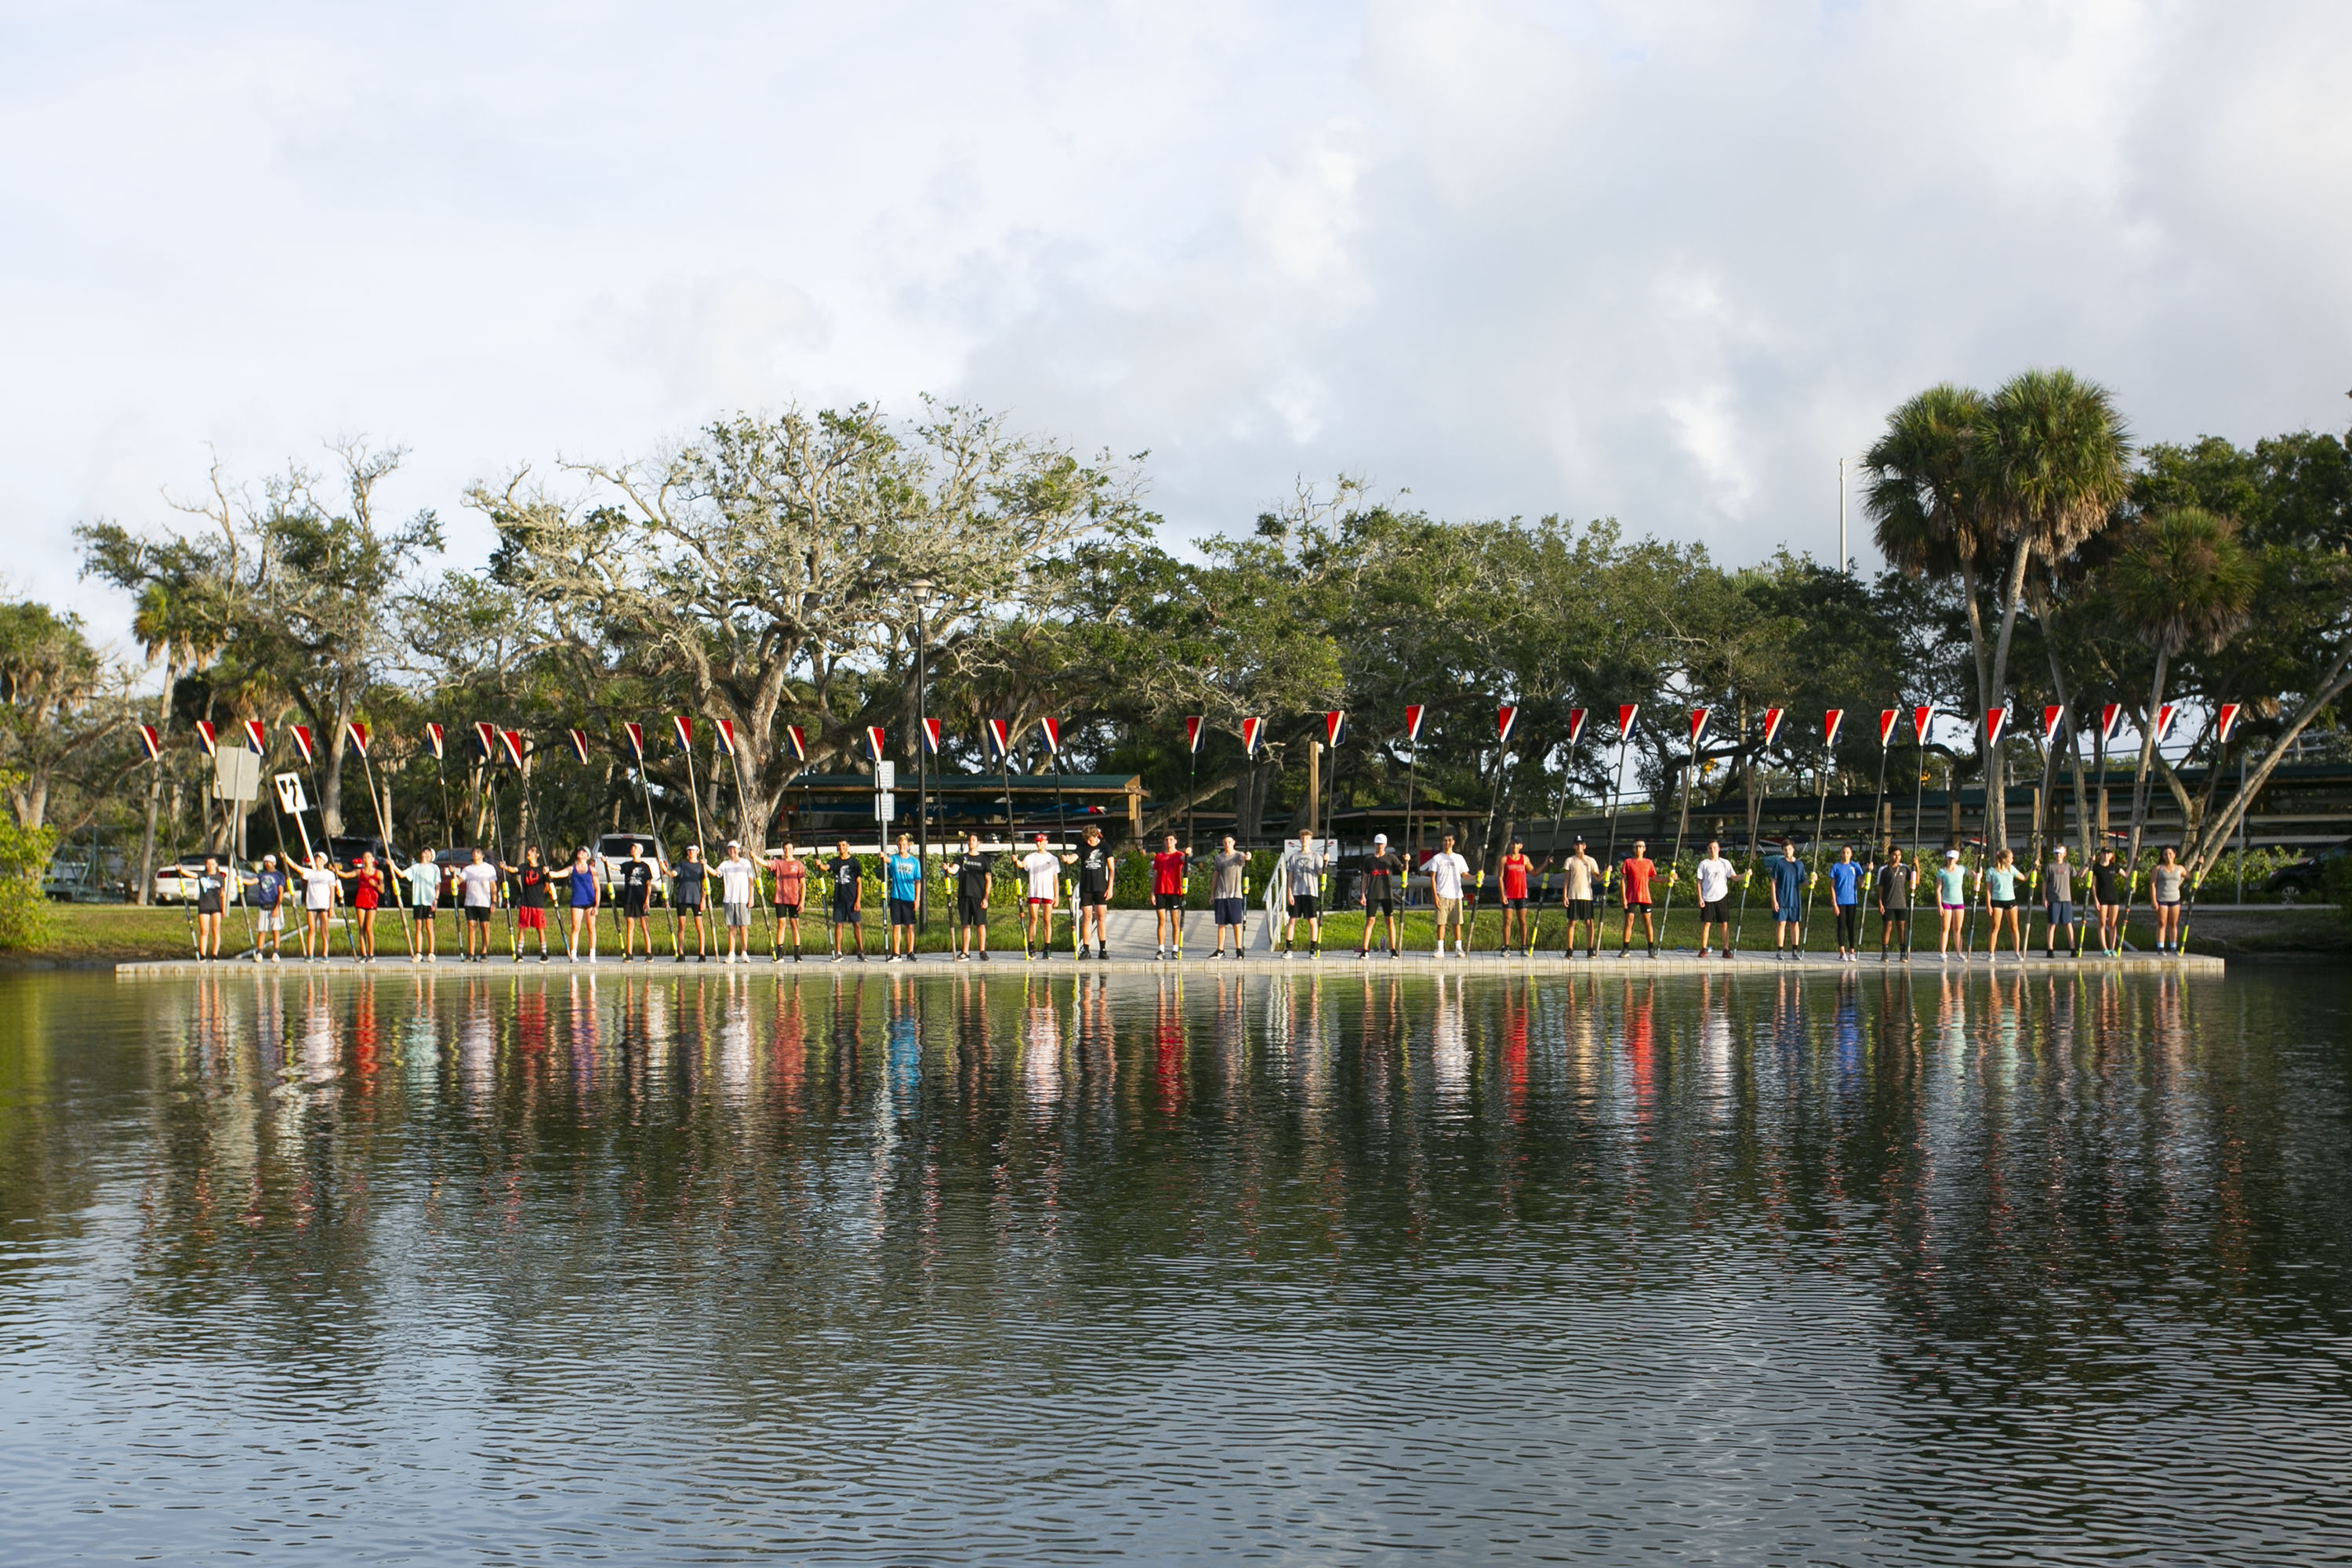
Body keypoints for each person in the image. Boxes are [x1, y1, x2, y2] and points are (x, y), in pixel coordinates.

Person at [1279, 829, 1328, 956]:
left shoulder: (1315, 856)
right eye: (1303, 838)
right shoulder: (1294, 857)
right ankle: (1288, 948)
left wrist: (1325, 863)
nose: (1304, 840)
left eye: (1307, 838)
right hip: (1296, 892)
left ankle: (1313, 948)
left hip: (1310, 891)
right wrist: (1289, 892)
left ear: (1311, 841)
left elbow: (1321, 872)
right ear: (1300, 840)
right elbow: (1290, 876)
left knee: (1312, 920)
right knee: (1292, 920)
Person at [1356, 832, 1406, 958]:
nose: (1379, 846)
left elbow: (1403, 869)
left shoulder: (1391, 858)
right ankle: (1365, 950)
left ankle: (1393, 949)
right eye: (1378, 844)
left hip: (1387, 894)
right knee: (1370, 920)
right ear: (1374, 844)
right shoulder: (1369, 860)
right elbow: (1365, 878)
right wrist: (1362, 894)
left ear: (1385, 845)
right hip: (1372, 893)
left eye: (1382, 844)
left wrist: (1407, 861)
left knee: (1389, 920)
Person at [947, 833, 995, 961]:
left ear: (978, 843)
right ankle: (965, 952)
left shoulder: (984, 860)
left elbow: (988, 879)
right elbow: (953, 870)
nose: (971, 842)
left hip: (979, 896)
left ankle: (982, 951)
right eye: (969, 840)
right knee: (965, 924)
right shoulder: (961, 858)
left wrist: (986, 897)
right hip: (964, 895)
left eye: (974, 840)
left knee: (981, 924)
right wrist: (947, 868)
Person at [1072, 826, 1115, 959]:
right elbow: (1073, 857)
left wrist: (1110, 887)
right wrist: (1067, 859)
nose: (1088, 843)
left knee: (1101, 917)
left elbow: (1112, 869)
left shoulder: (1105, 847)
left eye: (1090, 840)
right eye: (1086, 840)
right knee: (1087, 918)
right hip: (1086, 887)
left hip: (1101, 887)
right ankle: (1086, 949)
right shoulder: (1082, 846)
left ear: (1096, 836)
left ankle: (1103, 949)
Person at [1205, 835, 1250, 959]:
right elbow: (1215, 876)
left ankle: (1239, 949)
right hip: (1221, 894)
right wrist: (1212, 894)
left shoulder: (1238, 855)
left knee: (1236, 924)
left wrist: (1247, 857)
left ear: (1233, 842)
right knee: (1221, 924)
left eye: (1229, 842)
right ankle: (1220, 950)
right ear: (1222, 843)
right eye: (1225, 842)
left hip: (1235, 894)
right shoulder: (1219, 858)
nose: (1227, 844)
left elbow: (1244, 860)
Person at [1426, 833, 1471, 956]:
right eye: (1445, 840)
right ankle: (1440, 948)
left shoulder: (1459, 858)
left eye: (1449, 840)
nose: (1447, 843)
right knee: (1441, 923)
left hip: (1456, 896)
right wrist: (1435, 896)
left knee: (1457, 923)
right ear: (1442, 842)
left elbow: (1466, 875)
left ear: (1453, 842)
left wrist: (1476, 877)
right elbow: (1433, 878)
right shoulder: (1437, 858)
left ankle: (1458, 948)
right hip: (1442, 894)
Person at [506, 845, 554, 961]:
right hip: (525, 902)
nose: (529, 853)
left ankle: (544, 953)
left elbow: (548, 886)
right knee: (522, 928)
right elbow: (514, 870)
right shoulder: (524, 867)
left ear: (537, 855)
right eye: (528, 851)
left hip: (537, 903)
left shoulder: (542, 870)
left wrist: (541, 892)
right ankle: (519, 953)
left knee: (540, 928)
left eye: (532, 851)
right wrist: (505, 867)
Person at [1693, 839, 1739, 958]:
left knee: (1724, 923)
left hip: (1721, 897)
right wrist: (1700, 898)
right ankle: (1703, 948)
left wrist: (1745, 876)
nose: (1712, 850)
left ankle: (1726, 949)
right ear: (1707, 850)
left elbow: (1734, 877)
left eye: (1714, 848)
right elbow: (1699, 882)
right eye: (1710, 848)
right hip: (1708, 898)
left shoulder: (1725, 863)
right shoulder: (1703, 864)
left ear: (1718, 849)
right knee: (1707, 924)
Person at [1559, 835, 1603, 956]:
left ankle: (1590, 948)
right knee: (1572, 922)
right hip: (1573, 895)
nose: (1579, 846)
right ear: (1574, 846)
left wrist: (1606, 872)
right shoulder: (1570, 861)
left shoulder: (1590, 861)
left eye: (1581, 844)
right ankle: (1569, 949)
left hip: (1587, 896)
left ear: (1584, 846)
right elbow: (1566, 879)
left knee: (1589, 922)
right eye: (1577, 844)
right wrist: (1564, 895)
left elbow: (1598, 877)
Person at [1019, 833, 1062, 956]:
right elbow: (1023, 864)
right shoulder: (1031, 857)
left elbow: (1055, 879)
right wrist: (1016, 861)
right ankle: (1031, 947)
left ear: (1046, 842)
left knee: (1047, 920)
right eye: (1037, 841)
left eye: (1040, 841)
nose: (1038, 844)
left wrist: (1057, 896)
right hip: (1034, 892)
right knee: (1033, 919)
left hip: (1048, 893)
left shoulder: (1053, 859)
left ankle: (1047, 948)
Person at [715, 840, 758, 962]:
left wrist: (751, 897)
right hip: (729, 899)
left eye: (734, 849)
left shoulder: (746, 863)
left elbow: (751, 881)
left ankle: (744, 952)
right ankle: (731, 953)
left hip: (743, 899)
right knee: (732, 927)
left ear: (739, 850)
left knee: (743, 926)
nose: (732, 851)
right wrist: (705, 866)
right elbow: (716, 872)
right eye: (730, 849)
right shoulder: (725, 864)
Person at [616, 841, 660, 960]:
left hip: (641, 899)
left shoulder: (645, 867)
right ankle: (629, 953)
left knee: (644, 925)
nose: (632, 849)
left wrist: (647, 900)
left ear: (640, 851)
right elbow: (617, 867)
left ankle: (649, 952)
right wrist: (606, 862)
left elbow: (648, 884)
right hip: (629, 898)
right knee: (630, 925)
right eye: (631, 848)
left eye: (634, 848)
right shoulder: (627, 865)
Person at [1149, 832, 1190, 958]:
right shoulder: (1159, 856)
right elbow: (1155, 875)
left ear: (1175, 841)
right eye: (1166, 839)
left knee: (1175, 921)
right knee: (1161, 921)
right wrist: (1152, 892)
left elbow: (1185, 860)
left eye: (1171, 839)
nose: (1169, 842)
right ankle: (1161, 950)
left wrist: (1188, 853)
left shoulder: (1179, 855)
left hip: (1175, 891)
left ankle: (1175, 949)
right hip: (1160, 891)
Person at [339, 850, 386, 960]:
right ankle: (363, 954)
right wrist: (336, 870)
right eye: (365, 857)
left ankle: (371, 954)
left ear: (373, 859)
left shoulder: (378, 873)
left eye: (369, 857)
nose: (367, 859)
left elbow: (382, 890)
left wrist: (375, 885)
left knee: (369, 928)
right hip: (361, 900)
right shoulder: (360, 872)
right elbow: (346, 875)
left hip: (372, 901)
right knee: (361, 928)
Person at [457, 847, 502, 961]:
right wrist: (453, 874)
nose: (475, 854)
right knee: (471, 926)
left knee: (484, 927)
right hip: (470, 902)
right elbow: (458, 881)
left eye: (477, 852)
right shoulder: (468, 869)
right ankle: (471, 953)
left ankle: (484, 952)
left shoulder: (489, 869)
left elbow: (493, 886)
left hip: (484, 902)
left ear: (482, 855)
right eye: (473, 853)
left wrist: (494, 901)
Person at [884, 833, 924, 960]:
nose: (902, 847)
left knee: (910, 925)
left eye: (904, 845)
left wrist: (917, 898)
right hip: (896, 896)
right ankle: (896, 953)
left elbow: (918, 881)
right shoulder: (894, 859)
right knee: (896, 925)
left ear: (908, 846)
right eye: (900, 845)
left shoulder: (914, 862)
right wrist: (883, 857)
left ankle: (910, 952)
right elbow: (888, 860)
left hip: (909, 897)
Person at [1765, 839, 1806, 959]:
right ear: (1782, 851)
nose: (1787, 852)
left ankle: (1795, 950)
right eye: (1785, 849)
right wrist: (1774, 900)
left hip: (1795, 900)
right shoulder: (1779, 864)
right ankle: (1780, 950)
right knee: (1781, 923)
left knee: (1795, 924)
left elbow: (1803, 881)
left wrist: (1812, 881)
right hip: (1782, 898)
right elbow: (1773, 882)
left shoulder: (1799, 864)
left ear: (1793, 850)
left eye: (1789, 849)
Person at [557, 846, 600, 961]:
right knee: (576, 928)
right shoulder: (572, 869)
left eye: (584, 851)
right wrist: (548, 872)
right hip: (577, 902)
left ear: (587, 856)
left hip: (590, 902)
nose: (580, 852)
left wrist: (597, 905)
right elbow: (558, 874)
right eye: (580, 851)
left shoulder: (592, 870)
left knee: (591, 928)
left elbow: (597, 889)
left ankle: (592, 954)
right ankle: (574, 954)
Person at [826, 839, 866, 961]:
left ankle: (861, 951)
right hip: (839, 898)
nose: (841, 847)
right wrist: (819, 865)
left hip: (852, 898)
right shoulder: (835, 862)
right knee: (839, 924)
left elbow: (859, 882)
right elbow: (827, 867)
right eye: (839, 846)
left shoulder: (854, 863)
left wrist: (858, 900)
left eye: (843, 845)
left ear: (848, 846)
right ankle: (838, 952)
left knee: (857, 924)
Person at [1617, 838, 1658, 956]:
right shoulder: (1628, 862)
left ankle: (1651, 948)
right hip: (1631, 896)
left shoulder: (1648, 863)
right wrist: (1624, 897)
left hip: (1645, 896)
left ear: (1644, 849)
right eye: (1636, 847)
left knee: (1647, 921)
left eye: (1641, 847)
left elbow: (1655, 878)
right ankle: (1625, 948)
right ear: (1633, 849)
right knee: (1629, 921)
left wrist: (1668, 879)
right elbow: (1623, 880)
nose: (1639, 849)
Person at [1497, 837, 1536, 956]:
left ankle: (1524, 946)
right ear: (1510, 845)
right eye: (1513, 843)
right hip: (1509, 895)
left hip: (1522, 895)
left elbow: (1534, 872)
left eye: (1517, 844)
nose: (1515, 846)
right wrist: (1502, 894)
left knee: (1522, 921)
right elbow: (1500, 878)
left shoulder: (1524, 859)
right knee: (1507, 921)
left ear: (1521, 846)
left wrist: (1546, 863)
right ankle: (1506, 947)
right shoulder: (1504, 860)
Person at [769, 839, 807, 960]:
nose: (787, 851)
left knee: (794, 924)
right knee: (781, 924)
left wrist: (802, 901)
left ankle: (797, 953)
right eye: (785, 849)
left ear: (793, 850)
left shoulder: (798, 865)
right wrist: (754, 857)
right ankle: (779, 953)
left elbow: (803, 884)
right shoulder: (779, 863)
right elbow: (766, 864)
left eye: (790, 849)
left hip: (794, 899)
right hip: (780, 898)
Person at [670, 844, 710, 960]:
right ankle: (681, 953)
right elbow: (674, 873)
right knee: (682, 925)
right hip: (682, 898)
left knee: (699, 926)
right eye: (689, 850)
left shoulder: (701, 866)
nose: (691, 852)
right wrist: (665, 870)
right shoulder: (682, 865)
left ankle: (702, 953)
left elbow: (704, 884)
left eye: (693, 850)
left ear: (697, 851)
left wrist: (704, 899)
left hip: (696, 898)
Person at [299, 850, 340, 960]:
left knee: (324, 930)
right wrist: (286, 859)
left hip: (324, 906)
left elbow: (332, 892)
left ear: (324, 861)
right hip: (311, 905)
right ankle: (310, 954)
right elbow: (297, 868)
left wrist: (332, 908)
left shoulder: (329, 874)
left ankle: (325, 954)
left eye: (320, 858)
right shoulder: (310, 873)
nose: (317, 860)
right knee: (311, 930)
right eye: (316, 858)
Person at [1983, 848, 2024, 958]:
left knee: (2014, 927)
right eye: (2010, 858)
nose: (2012, 860)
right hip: (1997, 901)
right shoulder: (1991, 871)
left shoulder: (2011, 869)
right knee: (1995, 927)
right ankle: (1991, 954)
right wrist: (1988, 904)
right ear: (2004, 859)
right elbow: (1988, 890)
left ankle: (2017, 952)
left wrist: (2033, 869)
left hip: (2010, 900)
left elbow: (2024, 878)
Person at [1875, 847, 1915, 960]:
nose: (1897, 857)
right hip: (1888, 903)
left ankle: (1903, 952)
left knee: (1901, 926)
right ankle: (1885, 951)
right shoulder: (1884, 870)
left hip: (1901, 903)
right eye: (1894, 855)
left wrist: (1917, 866)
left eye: (1899, 855)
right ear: (1889, 855)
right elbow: (1880, 887)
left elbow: (1915, 881)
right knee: (1888, 926)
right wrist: (1880, 902)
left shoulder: (1904, 868)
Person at [1828, 845, 1865, 960]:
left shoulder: (1855, 866)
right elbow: (1832, 886)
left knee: (1851, 926)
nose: (1845, 855)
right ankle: (1842, 951)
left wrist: (1869, 872)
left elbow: (1861, 884)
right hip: (1840, 901)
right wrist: (1834, 903)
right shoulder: (1836, 867)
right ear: (1841, 854)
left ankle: (1852, 951)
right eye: (1844, 852)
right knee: (1841, 925)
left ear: (1851, 854)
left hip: (1852, 900)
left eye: (1848, 853)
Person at [2042, 844, 2078, 957]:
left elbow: (2077, 875)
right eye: (2056, 853)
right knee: (2052, 924)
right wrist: (2044, 897)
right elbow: (2045, 882)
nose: (2058, 855)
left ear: (2064, 854)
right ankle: (2050, 949)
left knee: (2068, 924)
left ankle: (2073, 948)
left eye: (2060, 853)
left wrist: (2087, 866)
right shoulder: (2050, 866)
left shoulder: (2068, 866)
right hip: (2053, 899)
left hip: (2066, 899)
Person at [403, 852, 441, 960]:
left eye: (428, 852)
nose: (425, 853)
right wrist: (392, 865)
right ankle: (418, 953)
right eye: (424, 851)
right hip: (417, 900)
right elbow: (402, 874)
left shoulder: (434, 868)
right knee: (418, 926)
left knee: (429, 926)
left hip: (429, 900)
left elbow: (437, 884)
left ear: (431, 856)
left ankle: (431, 953)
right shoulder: (416, 867)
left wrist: (436, 899)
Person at [249, 853, 287, 962]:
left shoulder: (279, 876)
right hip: (263, 905)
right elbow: (253, 881)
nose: (267, 864)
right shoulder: (261, 875)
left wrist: (278, 907)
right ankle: (259, 953)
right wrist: (241, 880)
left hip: (274, 904)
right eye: (265, 862)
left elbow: (281, 892)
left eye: (269, 862)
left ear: (274, 863)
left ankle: (276, 952)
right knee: (262, 930)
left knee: (276, 930)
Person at [2151, 846, 2188, 953]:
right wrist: (2154, 901)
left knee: (2173, 923)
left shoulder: (2180, 868)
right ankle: (2160, 947)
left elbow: (2191, 876)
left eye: (2170, 854)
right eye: (2165, 854)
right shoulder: (2158, 869)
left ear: (2174, 855)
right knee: (2162, 923)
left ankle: (2173, 947)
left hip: (2175, 899)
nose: (2168, 856)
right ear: (2163, 856)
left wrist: (2200, 864)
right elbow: (2152, 885)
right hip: (2162, 899)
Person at [1934, 848, 1969, 956]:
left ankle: (1959, 952)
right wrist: (1939, 905)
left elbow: (1975, 875)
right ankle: (1943, 952)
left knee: (1958, 928)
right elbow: (1938, 889)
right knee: (1945, 928)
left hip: (1959, 902)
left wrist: (1979, 864)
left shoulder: (1962, 869)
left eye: (1953, 859)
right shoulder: (1942, 872)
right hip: (1946, 902)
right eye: (1949, 858)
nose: (1951, 860)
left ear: (1957, 859)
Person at [193, 855, 229, 960]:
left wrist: (224, 908)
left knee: (215, 930)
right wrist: (180, 869)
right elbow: (192, 875)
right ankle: (202, 955)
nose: (210, 866)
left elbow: (223, 894)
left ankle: (215, 954)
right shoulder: (202, 875)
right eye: (208, 864)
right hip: (204, 906)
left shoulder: (220, 878)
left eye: (212, 864)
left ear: (216, 865)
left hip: (216, 907)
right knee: (204, 931)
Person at [2092, 848, 2126, 957]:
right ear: (2101, 855)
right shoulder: (2096, 867)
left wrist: (2134, 863)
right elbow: (2093, 885)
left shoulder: (2114, 867)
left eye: (2108, 853)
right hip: (2102, 898)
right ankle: (2104, 948)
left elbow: (2126, 874)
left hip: (2113, 898)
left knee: (2112, 923)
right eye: (2104, 853)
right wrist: (2095, 899)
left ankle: (2112, 948)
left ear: (2111, 856)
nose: (2106, 855)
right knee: (2102, 923)